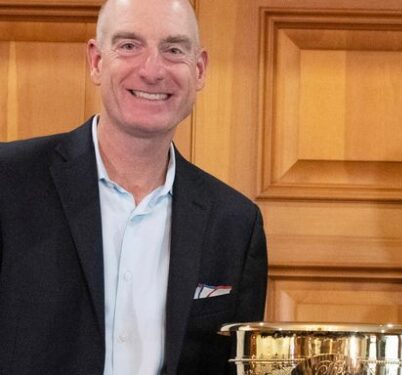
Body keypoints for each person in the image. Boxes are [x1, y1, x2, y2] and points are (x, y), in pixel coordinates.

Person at [0, 0, 267, 374]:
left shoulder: (236, 225)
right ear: (96, 61)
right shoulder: (8, 182)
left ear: (200, 70)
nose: (152, 70)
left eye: (173, 49)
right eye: (129, 45)